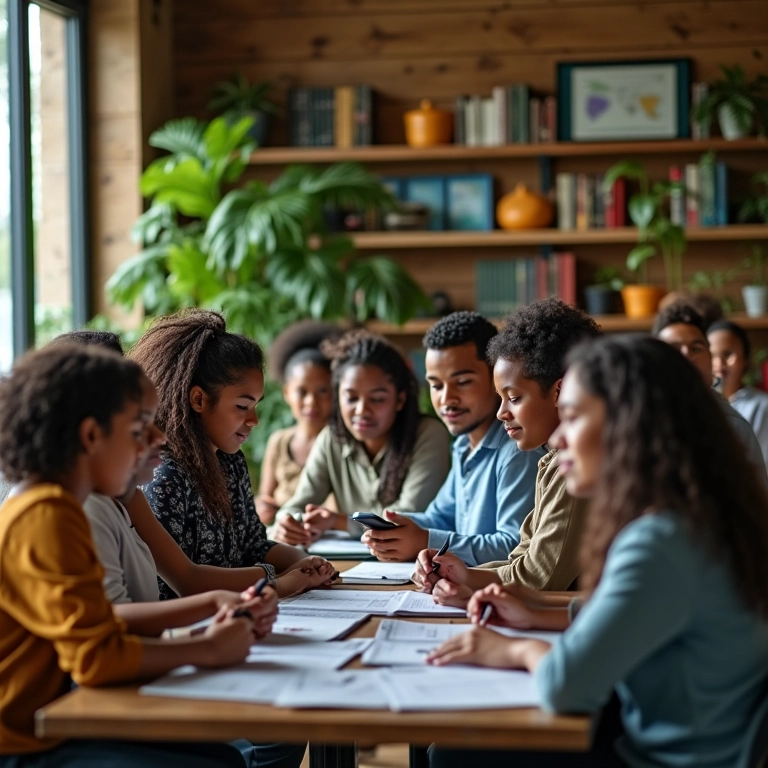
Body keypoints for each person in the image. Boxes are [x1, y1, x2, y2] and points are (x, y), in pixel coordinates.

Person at [426, 335, 768, 768]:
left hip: (666, 757)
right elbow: (647, 614)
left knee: (456, 755)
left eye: (571, 418)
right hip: (693, 738)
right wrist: (540, 613)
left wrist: (511, 649)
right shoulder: (697, 518)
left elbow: (565, 685)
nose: (556, 441)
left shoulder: (659, 541)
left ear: (628, 425)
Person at [0, 344, 268, 767]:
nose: (158, 438)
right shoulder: (47, 516)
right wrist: (206, 648)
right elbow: (95, 661)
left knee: (224, 759)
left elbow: (102, 621)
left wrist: (213, 604)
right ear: (91, 436)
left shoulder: (57, 506)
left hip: (52, 726)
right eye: (140, 427)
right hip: (21, 744)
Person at [130, 309, 335, 600]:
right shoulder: (163, 475)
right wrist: (275, 580)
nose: (254, 420)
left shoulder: (230, 460)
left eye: (256, 406)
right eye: (242, 406)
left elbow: (254, 544)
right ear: (199, 399)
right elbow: (177, 585)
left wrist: (303, 561)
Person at [412, 299, 600, 606]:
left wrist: (469, 581)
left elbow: (539, 578)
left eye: (513, 398)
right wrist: (459, 574)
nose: (502, 413)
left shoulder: (577, 466)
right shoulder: (550, 461)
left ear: (560, 392)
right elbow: (521, 559)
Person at [362, 311, 543, 565]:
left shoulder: (518, 451)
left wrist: (425, 541)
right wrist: (396, 527)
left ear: (497, 377)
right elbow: (439, 518)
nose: (446, 399)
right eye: (436, 385)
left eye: (463, 382)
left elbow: (513, 547)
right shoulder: (463, 446)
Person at [271, 330, 450, 546]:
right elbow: (297, 504)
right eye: (351, 398)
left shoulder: (428, 434)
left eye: (377, 399)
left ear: (400, 399)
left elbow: (411, 515)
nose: (362, 410)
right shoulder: (331, 438)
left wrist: (339, 521)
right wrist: (288, 522)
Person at [652, 301, 766, 478]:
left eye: (696, 348)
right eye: (673, 348)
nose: (686, 355)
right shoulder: (636, 420)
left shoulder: (733, 428)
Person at [256, 320, 338, 525]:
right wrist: (262, 508)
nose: (312, 402)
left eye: (322, 391)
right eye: (302, 392)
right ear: (287, 393)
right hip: (284, 535)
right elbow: (265, 497)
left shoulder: (341, 443)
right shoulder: (279, 441)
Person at [708, 319, 768, 470]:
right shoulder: (700, 404)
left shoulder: (761, 406)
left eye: (727, 354)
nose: (719, 363)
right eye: (711, 356)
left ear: (746, 359)